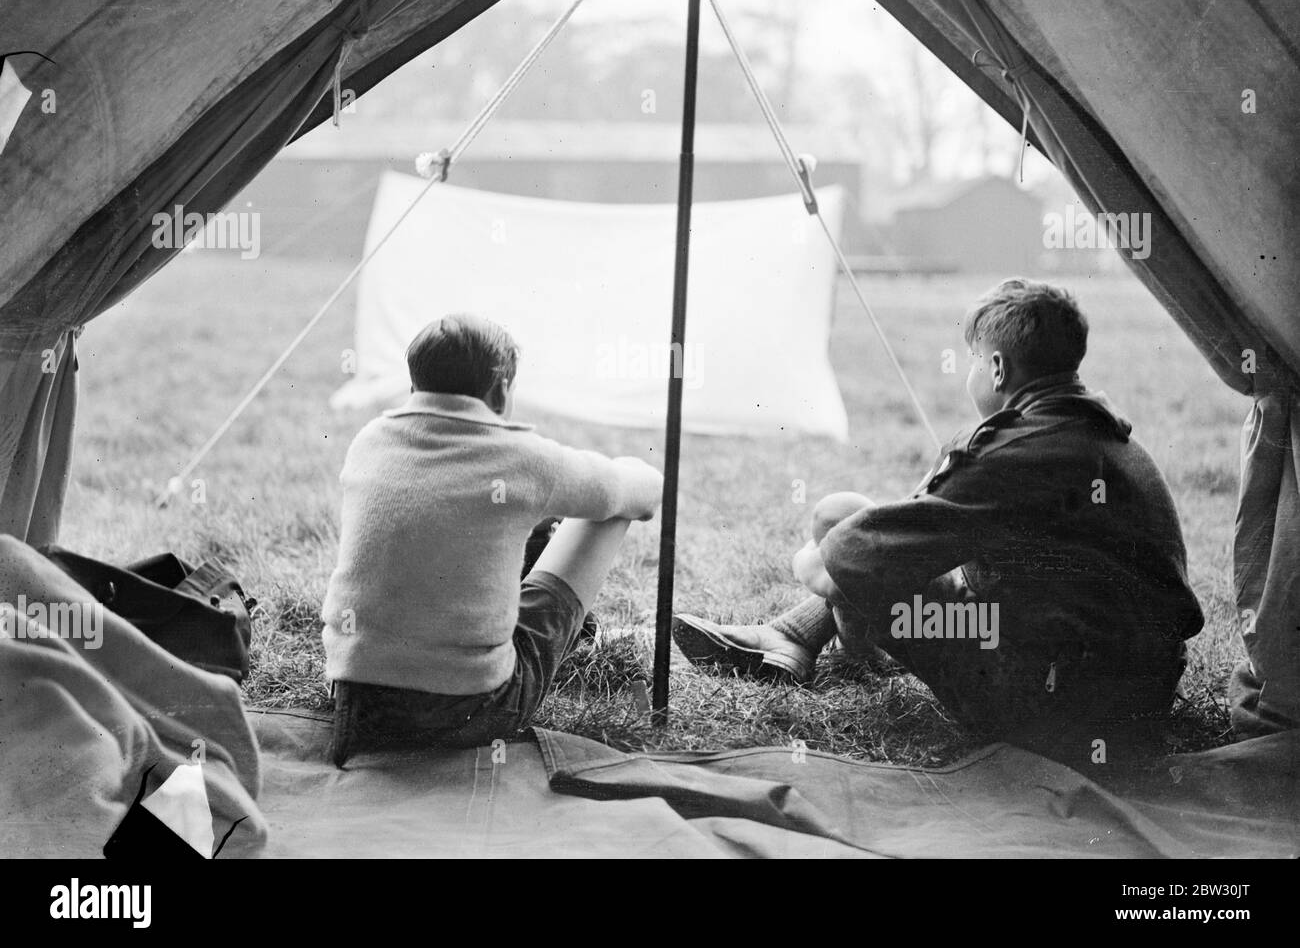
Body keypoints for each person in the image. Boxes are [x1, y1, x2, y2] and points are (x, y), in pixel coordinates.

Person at [673, 278, 1205, 755]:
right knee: (851, 523)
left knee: (842, 537)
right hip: (1137, 705)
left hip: (1050, 709)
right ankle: (792, 637)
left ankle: (796, 638)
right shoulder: (1104, 432)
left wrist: (809, 560)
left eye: (974, 359)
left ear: (997, 368)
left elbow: (839, 564)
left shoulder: (1017, 451)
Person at [322, 313, 663, 760]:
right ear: (501, 391)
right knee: (606, 513)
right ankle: (580, 635)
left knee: (526, 527)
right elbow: (642, 493)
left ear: (414, 387)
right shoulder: (524, 459)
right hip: (468, 710)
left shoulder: (370, 440)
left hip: (355, 702)